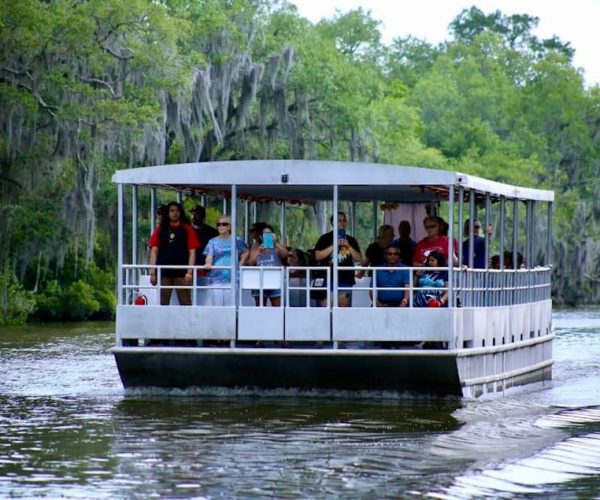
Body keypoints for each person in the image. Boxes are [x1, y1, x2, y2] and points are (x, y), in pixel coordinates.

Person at [148, 202, 200, 305]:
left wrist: (189, 272)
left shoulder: (187, 229)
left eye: (177, 210)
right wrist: (152, 272)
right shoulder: (160, 229)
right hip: (164, 272)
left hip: (182, 272)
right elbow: (154, 251)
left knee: (185, 302)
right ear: (167, 213)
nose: (175, 213)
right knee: (163, 302)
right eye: (172, 210)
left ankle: (188, 321)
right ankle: (162, 321)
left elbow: (192, 251)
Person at [314, 211, 362, 307]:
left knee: (343, 309)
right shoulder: (325, 238)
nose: (342, 223)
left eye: (344, 221)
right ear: (332, 223)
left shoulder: (351, 240)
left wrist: (348, 245)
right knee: (325, 307)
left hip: (345, 279)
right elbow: (317, 256)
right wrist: (334, 246)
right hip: (327, 278)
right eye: (339, 221)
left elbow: (358, 258)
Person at [203, 214, 249, 306]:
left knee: (230, 306)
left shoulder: (237, 240)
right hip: (216, 277)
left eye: (224, 224)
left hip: (232, 277)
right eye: (218, 224)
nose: (221, 226)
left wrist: (241, 262)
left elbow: (246, 251)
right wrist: (208, 263)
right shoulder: (212, 241)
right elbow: (209, 255)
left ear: (230, 227)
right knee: (217, 306)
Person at [246, 224, 289, 306]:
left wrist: (276, 243)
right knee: (260, 307)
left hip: (275, 280)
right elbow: (249, 263)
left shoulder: (277, 247)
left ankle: (277, 319)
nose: (267, 236)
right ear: (261, 236)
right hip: (259, 280)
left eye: (269, 234)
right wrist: (258, 252)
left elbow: (285, 254)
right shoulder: (256, 248)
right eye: (265, 234)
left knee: (277, 307)